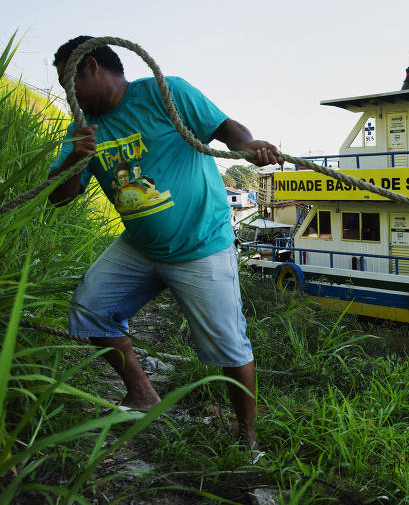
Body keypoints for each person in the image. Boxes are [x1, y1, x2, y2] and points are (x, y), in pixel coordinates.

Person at [48, 36, 283, 453]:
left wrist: (248, 147)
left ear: (90, 69)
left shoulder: (164, 91)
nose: (69, 94)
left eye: (68, 81)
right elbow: (59, 197)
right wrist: (72, 160)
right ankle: (142, 393)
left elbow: (227, 128)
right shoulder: (81, 129)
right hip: (139, 247)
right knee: (90, 310)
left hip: (202, 245)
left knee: (229, 346)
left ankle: (248, 438)